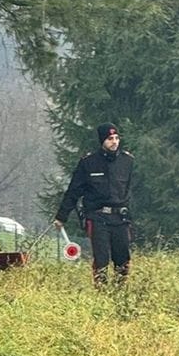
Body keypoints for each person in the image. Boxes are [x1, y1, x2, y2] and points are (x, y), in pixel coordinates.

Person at [53, 122, 134, 286]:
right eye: (110, 138)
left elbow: (130, 188)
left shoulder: (127, 161)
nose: (114, 142)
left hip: (120, 217)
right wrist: (61, 216)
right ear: (102, 141)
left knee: (122, 260)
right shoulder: (88, 163)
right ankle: (101, 292)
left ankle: (120, 293)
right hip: (98, 217)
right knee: (101, 259)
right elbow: (73, 191)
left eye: (117, 138)